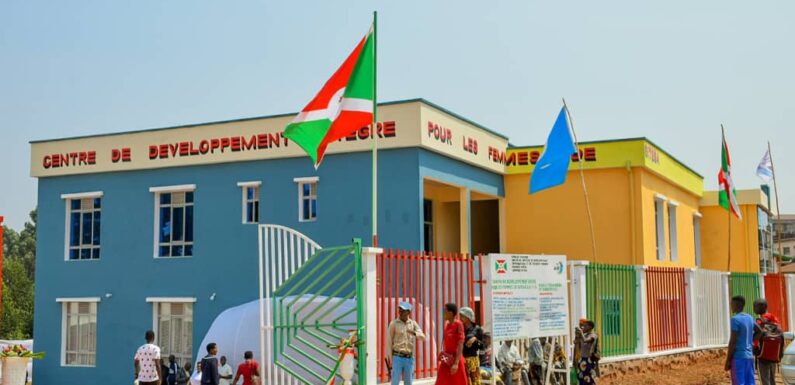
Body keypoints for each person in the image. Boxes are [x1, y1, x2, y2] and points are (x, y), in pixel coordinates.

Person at [386, 301, 426, 385]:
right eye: (399, 310)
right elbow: (389, 342)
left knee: (408, 382)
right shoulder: (394, 323)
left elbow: (423, 337)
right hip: (397, 357)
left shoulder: (413, 324)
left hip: (409, 358)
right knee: (395, 382)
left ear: (409, 312)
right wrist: (391, 359)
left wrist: (414, 333)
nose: (400, 312)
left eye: (403, 310)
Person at [725, 296, 756, 385]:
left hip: (738, 358)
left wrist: (728, 360)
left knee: (739, 382)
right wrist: (749, 340)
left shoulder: (735, 319)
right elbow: (760, 332)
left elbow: (733, 342)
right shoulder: (750, 317)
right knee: (750, 382)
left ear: (737, 305)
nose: (731, 306)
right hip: (749, 357)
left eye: (732, 304)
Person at [435, 303, 468, 385]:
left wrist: (456, 363)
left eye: (444, 311)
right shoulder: (447, 325)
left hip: (456, 359)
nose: (443, 313)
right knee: (440, 381)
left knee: (458, 382)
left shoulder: (458, 324)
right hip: (447, 359)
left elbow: (460, 344)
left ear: (450, 313)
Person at [753, 298, 783, 385]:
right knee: (772, 379)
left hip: (762, 355)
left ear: (762, 307)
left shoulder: (759, 321)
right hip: (774, 355)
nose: (754, 308)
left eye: (755, 306)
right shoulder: (775, 319)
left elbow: (756, 338)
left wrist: (754, 348)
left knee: (765, 380)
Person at [460, 306, 484, 385]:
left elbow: (482, 346)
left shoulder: (477, 329)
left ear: (468, 317)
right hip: (461, 359)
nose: (460, 318)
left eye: (462, 316)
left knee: (474, 382)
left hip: (472, 360)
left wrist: (475, 340)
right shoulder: (460, 328)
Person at [576, 320, 599, 385]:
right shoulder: (584, 335)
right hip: (582, 359)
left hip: (589, 361)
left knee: (588, 379)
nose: (583, 327)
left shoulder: (593, 336)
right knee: (581, 378)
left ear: (590, 327)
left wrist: (581, 333)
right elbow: (575, 342)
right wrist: (577, 335)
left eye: (585, 326)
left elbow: (585, 340)